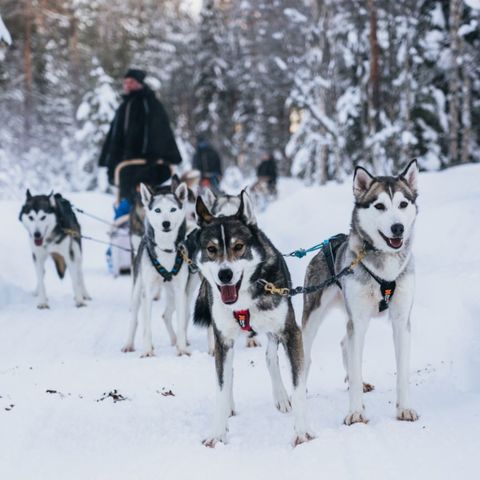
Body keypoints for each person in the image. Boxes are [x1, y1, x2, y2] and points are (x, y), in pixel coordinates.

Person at [99, 68, 182, 184]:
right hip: (125, 163)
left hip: (147, 163)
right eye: (126, 82)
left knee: (146, 192)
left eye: (131, 82)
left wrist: (155, 154)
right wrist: (111, 160)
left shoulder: (150, 104)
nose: (127, 85)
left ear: (139, 83)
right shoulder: (124, 106)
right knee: (126, 193)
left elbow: (160, 130)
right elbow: (115, 135)